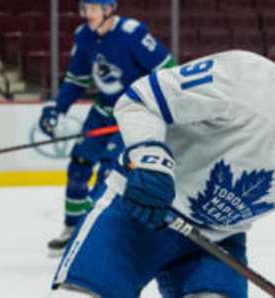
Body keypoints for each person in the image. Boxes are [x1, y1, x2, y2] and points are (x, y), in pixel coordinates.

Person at [50, 16, 275, 298]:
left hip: (213, 244)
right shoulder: (243, 76)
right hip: (139, 213)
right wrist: (149, 159)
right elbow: (140, 99)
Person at [38, 0, 176, 256]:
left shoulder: (132, 33)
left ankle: (97, 232)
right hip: (102, 112)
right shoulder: (85, 36)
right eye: (84, 8)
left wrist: (162, 107)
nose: (85, 14)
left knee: (109, 172)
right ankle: (72, 229)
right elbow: (75, 79)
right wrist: (55, 108)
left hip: (132, 116)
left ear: (108, 9)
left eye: (91, 8)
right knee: (79, 163)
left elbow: (167, 70)